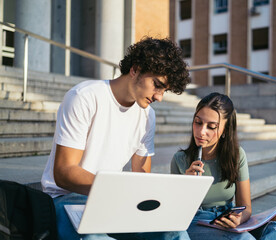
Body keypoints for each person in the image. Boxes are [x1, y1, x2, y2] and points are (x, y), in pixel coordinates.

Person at [41, 37, 191, 240]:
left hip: (115, 201)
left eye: (164, 90)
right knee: (96, 237)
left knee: (175, 233)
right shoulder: (84, 97)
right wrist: (115, 190)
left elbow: (141, 176)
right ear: (135, 69)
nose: (159, 97)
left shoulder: (147, 116)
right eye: (157, 85)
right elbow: (64, 172)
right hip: (68, 198)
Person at [171, 92, 276, 240]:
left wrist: (238, 218)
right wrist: (186, 185)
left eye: (211, 126)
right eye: (198, 122)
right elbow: (175, 213)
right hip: (197, 221)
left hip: (227, 219)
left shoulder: (236, 156)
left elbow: (246, 207)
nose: (201, 131)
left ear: (225, 130)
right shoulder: (180, 160)